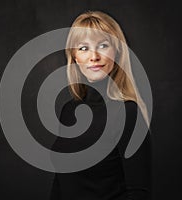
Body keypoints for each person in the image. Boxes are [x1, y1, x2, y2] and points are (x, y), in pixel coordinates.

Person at [49, 10, 151, 200]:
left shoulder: (128, 112)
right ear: (74, 56)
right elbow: (60, 183)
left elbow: (139, 193)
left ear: (117, 53)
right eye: (83, 48)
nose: (93, 56)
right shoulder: (68, 111)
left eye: (103, 45)